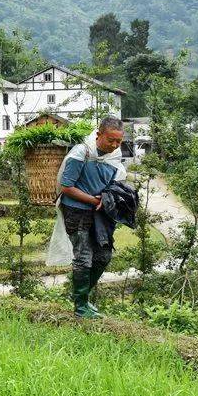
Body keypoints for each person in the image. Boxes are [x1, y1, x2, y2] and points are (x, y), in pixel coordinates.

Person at [57, 116, 126, 319]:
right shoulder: (81, 153)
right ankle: (80, 307)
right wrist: (94, 201)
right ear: (98, 135)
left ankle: (83, 298)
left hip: (99, 213)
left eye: (118, 142)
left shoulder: (113, 157)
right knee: (84, 258)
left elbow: (113, 184)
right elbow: (67, 187)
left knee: (104, 257)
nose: (114, 145)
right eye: (110, 140)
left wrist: (108, 199)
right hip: (76, 211)